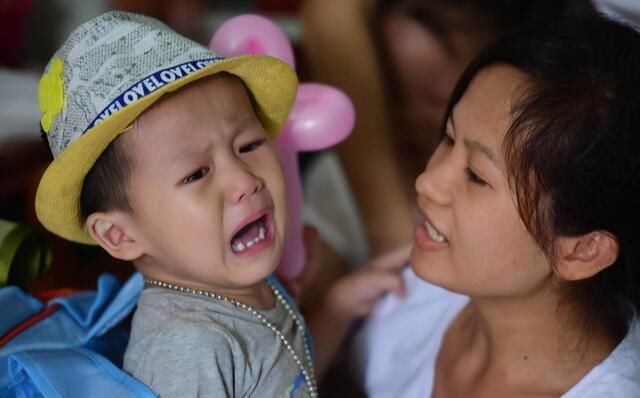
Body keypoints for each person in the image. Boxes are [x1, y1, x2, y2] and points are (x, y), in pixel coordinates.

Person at [34, 11, 403, 397]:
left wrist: (336, 310)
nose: (245, 180)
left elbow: (286, 381)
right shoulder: (187, 348)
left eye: (249, 146)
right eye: (196, 174)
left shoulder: (237, 287)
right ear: (119, 234)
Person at [350, 15, 640, 397]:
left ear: (582, 251)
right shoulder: (425, 285)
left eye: (475, 175)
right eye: (450, 137)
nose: (427, 181)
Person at [299, 0, 585, 273]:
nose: (409, 118)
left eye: (437, 100)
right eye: (390, 96)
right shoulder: (338, 177)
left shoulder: (522, 201)